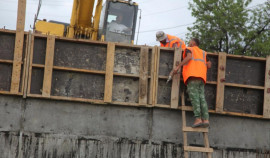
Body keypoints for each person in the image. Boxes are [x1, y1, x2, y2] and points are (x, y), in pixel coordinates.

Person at [170, 38, 211, 128]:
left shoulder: (189, 49)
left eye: (189, 42)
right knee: (202, 98)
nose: (188, 43)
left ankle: (198, 119)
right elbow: (209, 65)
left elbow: (189, 57)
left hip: (192, 76)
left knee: (195, 98)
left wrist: (178, 67)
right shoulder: (203, 52)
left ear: (193, 42)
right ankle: (206, 119)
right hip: (202, 78)